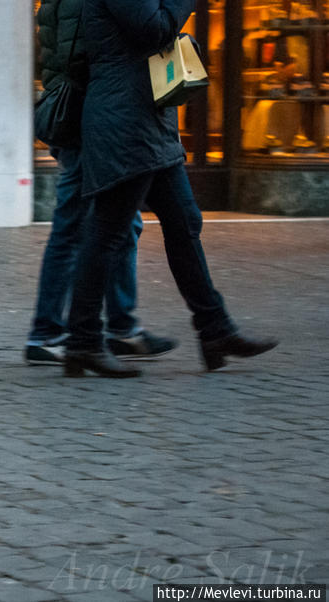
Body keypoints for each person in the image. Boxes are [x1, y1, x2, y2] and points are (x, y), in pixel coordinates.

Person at [63, 0, 278, 378]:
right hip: (125, 123)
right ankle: (82, 342)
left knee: (184, 223)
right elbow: (154, 29)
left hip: (147, 121)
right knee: (106, 233)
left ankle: (215, 331)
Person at [27, 0, 176, 365]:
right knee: (76, 222)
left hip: (85, 111)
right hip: (82, 116)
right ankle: (47, 332)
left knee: (123, 222)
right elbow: (81, 54)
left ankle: (122, 327)